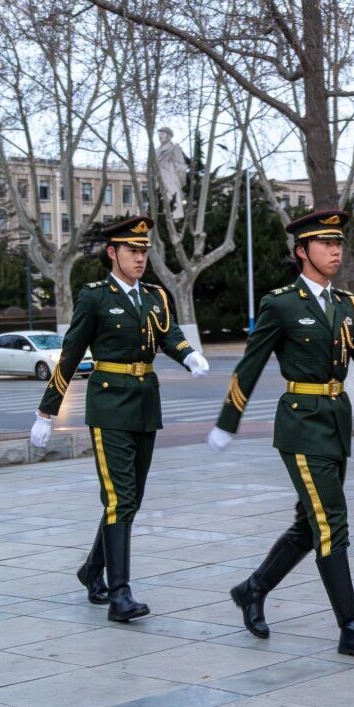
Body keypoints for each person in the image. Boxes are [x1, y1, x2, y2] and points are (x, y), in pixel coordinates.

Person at [207, 209, 354, 657]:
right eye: (326, 243)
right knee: (331, 522)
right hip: (301, 424)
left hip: (335, 420)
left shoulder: (346, 304)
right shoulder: (281, 304)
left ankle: (252, 589)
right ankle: (351, 628)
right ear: (302, 251)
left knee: (309, 523)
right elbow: (250, 365)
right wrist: (228, 421)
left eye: (338, 243)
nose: (335, 251)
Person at [30, 216, 210, 622]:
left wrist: (188, 355)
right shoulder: (95, 297)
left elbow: (168, 334)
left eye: (144, 251)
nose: (140, 258)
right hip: (109, 406)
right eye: (132, 250)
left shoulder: (155, 296)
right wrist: (46, 411)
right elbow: (71, 353)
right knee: (119, 498)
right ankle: (120, 594)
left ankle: (92, 570)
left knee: (131, 499)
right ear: (113, 253)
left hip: (145, 405)